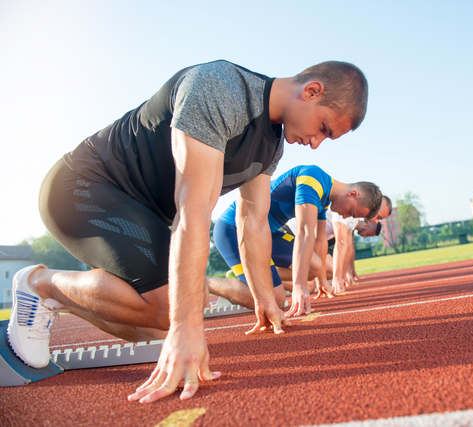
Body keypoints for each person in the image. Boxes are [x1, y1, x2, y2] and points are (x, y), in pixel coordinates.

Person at [7, 60, 368, 404]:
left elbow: (253, 220)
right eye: (324, 128)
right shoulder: (220, 88)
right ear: (312, 91)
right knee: (174, 315)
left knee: (155, 328)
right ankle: (41, 284)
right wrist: (186, 325)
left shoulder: (272, 143)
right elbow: (194, 210)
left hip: (141, 212)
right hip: (84, 187)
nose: (318, 142)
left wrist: (263, 297)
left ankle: (60, 298)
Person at [210, 165, 381, 314]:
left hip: (266, 233)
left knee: (314, 266)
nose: (346, 216)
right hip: (234, 229)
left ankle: (251, 275)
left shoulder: (324, 199)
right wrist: (300, 286)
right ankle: (206, 284)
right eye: (351, 212)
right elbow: (304, 232)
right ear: (352, 194)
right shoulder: (313, 179)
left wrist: (321, 282)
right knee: (276, 300)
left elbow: (320, 240)